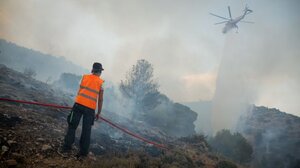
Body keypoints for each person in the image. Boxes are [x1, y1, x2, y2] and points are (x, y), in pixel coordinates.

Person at [62, 62, 104, 158]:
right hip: (90, 109)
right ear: (100, 72)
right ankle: (83, 153)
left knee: (72, 126)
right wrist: (99, 112)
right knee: (86, 131)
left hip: (78, 105)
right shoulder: (101, 83)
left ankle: (66, 148)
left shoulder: (84, 77)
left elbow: (80, 91)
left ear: (92, 70)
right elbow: (100, 99)